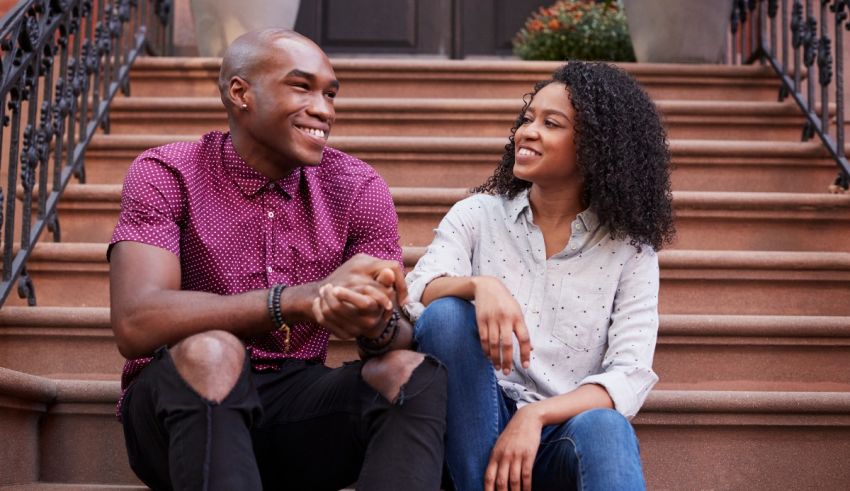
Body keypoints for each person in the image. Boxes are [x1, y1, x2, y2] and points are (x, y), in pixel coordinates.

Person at [108, 29, 447, 491]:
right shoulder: (169, 173)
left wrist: (376, 322)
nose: (324, 110)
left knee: (412, 374)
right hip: (180, 412)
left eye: (330, 94)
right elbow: (136, 322)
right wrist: (294, 301)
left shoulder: (357, 187)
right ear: (240, 93)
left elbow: (397, 334)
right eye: (301, 86)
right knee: (213, 351)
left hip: (296, 408)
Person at [406, 62, 675, 491]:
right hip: (468, 420)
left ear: (597, 148)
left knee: (606, 428)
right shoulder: (478, 215)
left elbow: (628, 374)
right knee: (447, 316)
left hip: (557, 436)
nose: (526, 132)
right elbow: (416, 293)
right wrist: (480, 286)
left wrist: (535, 416)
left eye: (551, 123)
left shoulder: (630, 251)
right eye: (527, 118)